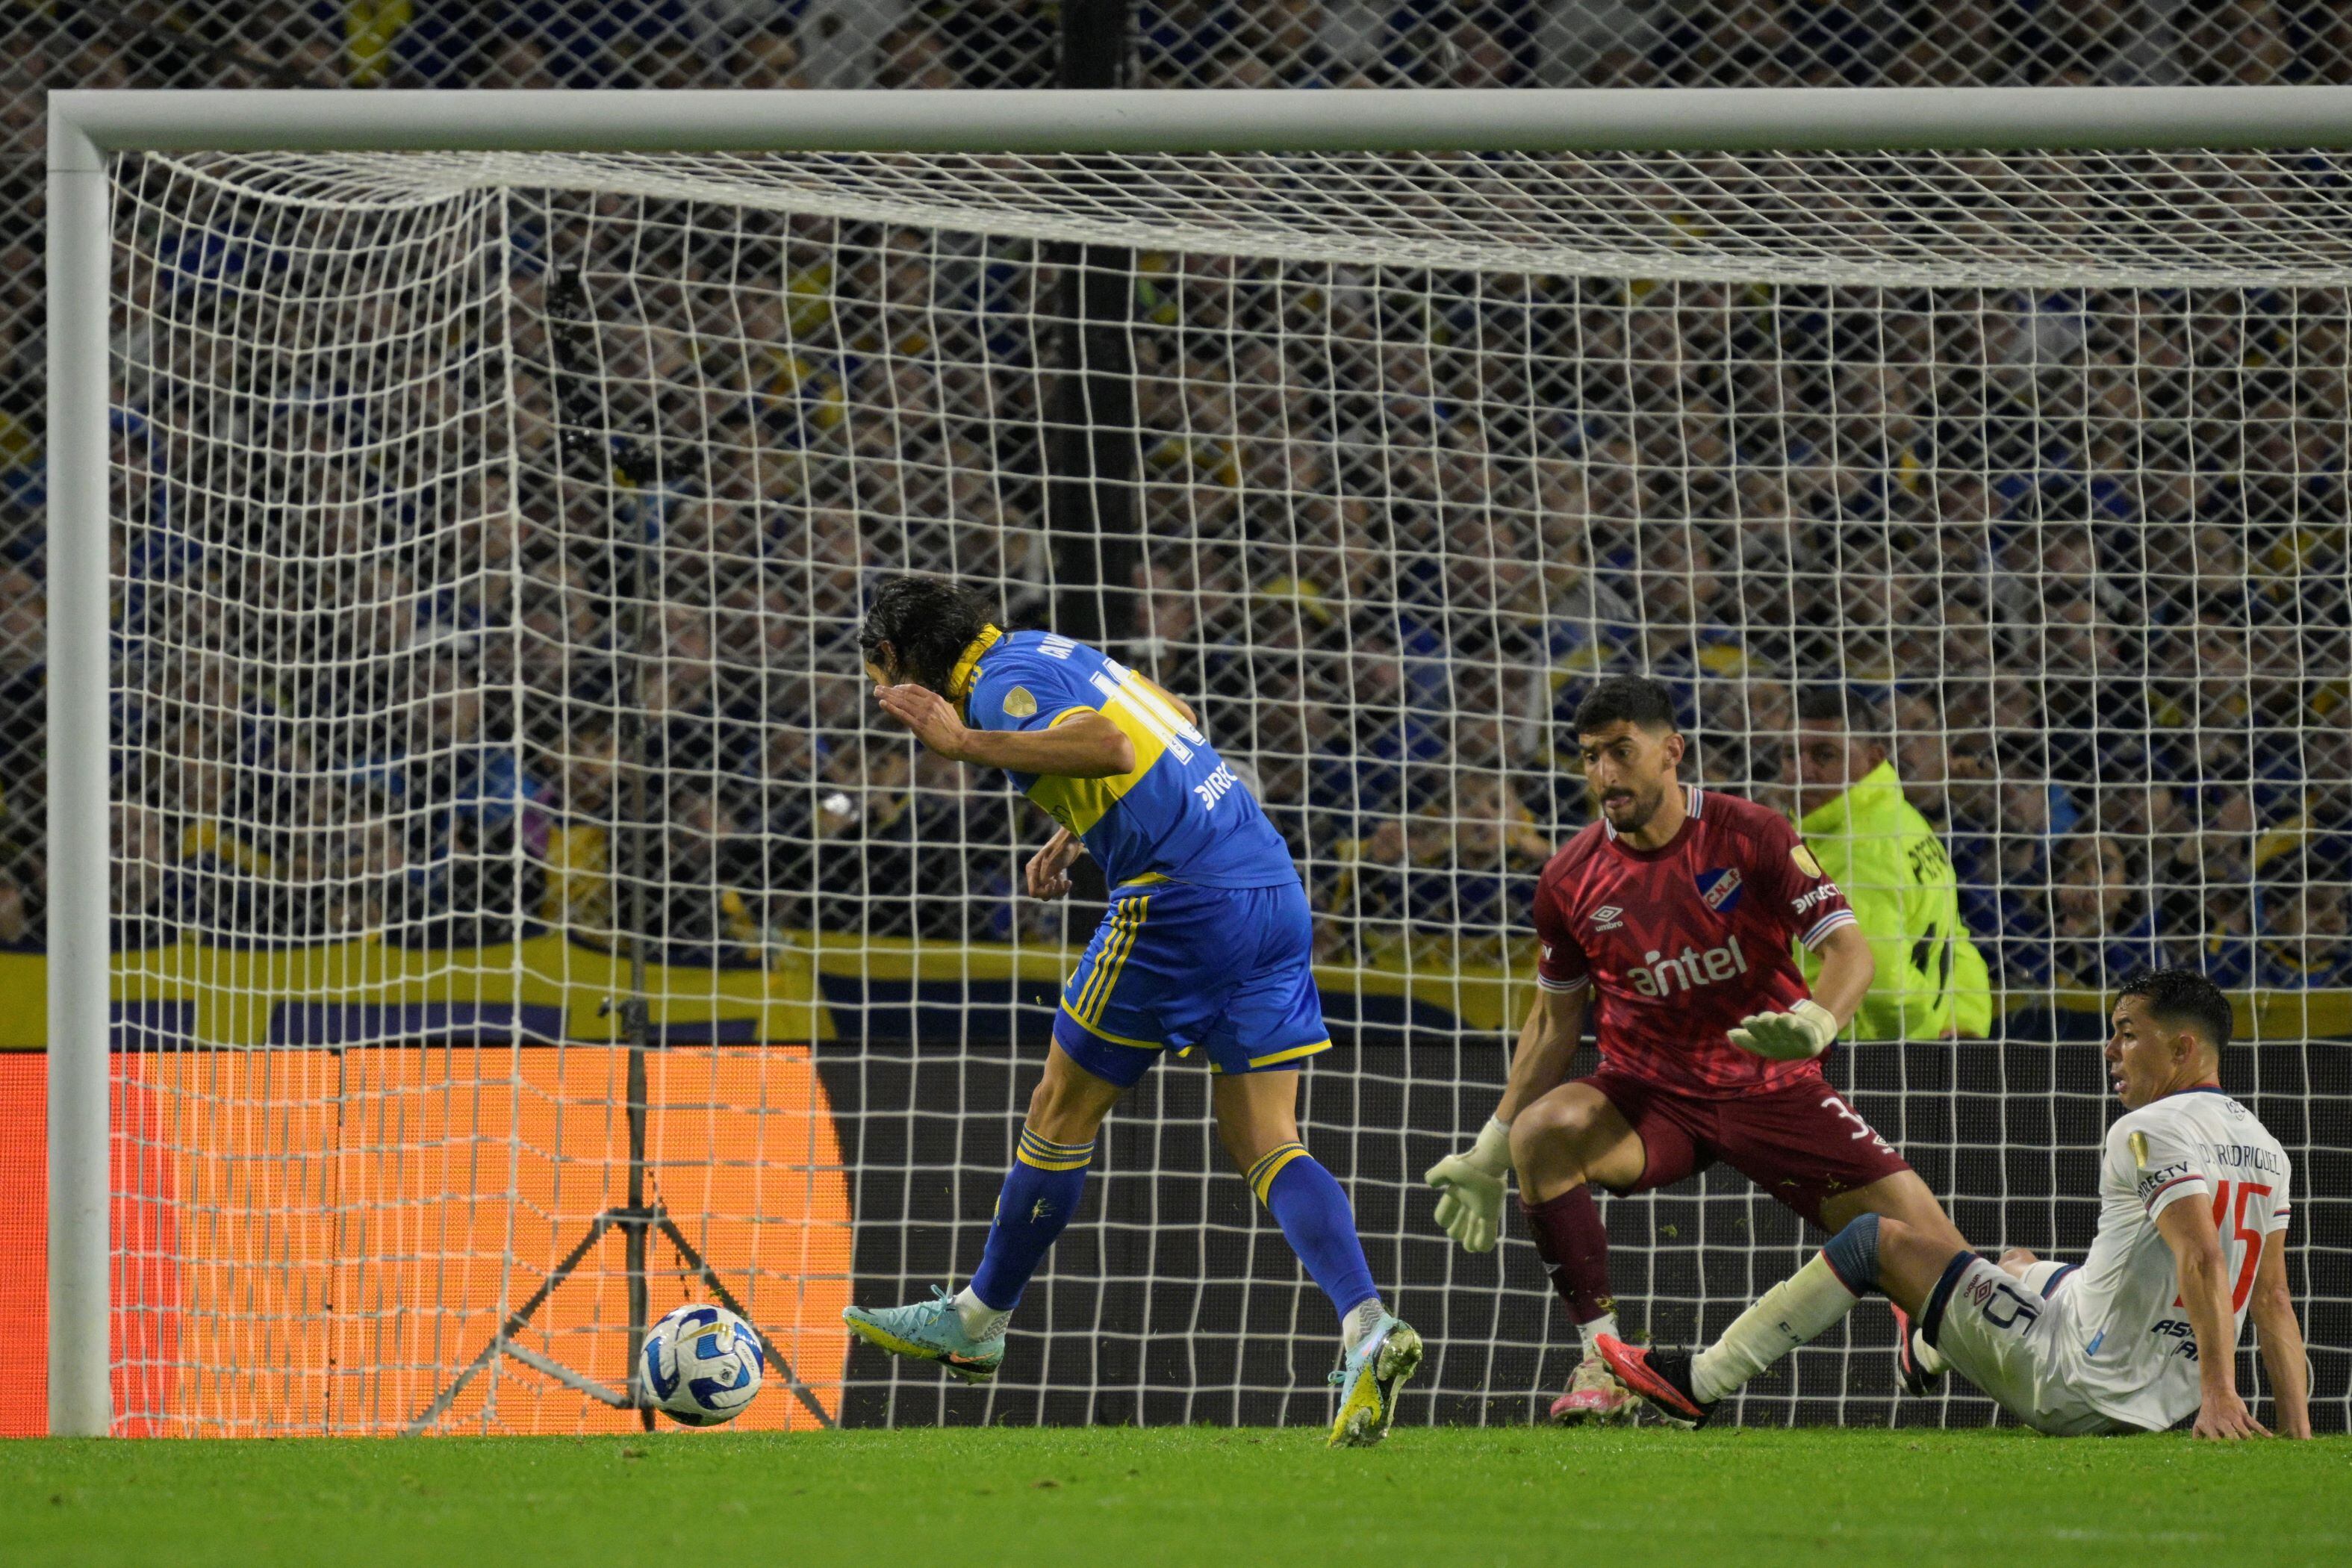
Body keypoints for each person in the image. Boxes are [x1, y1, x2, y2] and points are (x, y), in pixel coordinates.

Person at [840, 575, 1420, 1447]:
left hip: (1182, 902)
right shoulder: (1043, 648)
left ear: (894, 659)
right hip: (1269, 883)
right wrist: (1079, 827)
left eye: (878, 676)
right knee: (1267, 1137)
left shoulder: (994, 689)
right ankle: (1367, 1323)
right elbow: (1172, 717)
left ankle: (978, 1321)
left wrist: (963, 743)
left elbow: (1111, 745)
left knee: (1059, 1110)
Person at [1424, 674, 1967, 1423]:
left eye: (1622, 751)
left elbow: (1850, 952)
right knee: (1543, 1133)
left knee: (1945, 1257)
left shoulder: (1752, 834)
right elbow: (1553, 1024)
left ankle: (1929, 1311)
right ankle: (1603, 1359)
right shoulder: (1570, 880)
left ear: (1671, 751)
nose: (1605, 773)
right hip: (1652, 1097)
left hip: (1771, 1085)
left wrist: (1817, 1021)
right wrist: (1492, 1148)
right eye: (1590, 757)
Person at [1602, 968, 2311, 1441]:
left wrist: (2222, 1394)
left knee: (1872, 1241)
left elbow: (2202, 1256)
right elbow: (2273, 1298)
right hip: (2156, 1394)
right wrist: (2297, 1434)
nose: (2110, 1049)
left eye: (2129, 1033)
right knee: (2021, 1266)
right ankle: (1928, 1343)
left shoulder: (2150, 1128)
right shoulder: (2267, 1148)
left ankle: (1699, 1382)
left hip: (2081, 1383)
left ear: (2183, 1049)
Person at [1785, 685, 1994, 1039]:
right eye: (1791, 755)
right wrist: (1963, 1024)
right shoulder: (1904, 821)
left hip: (1862, 1054)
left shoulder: (1857, 852)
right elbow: (1955, 942)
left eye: (1824, 755)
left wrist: (1919, 1044)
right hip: (1925, 1046)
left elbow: (1881, 987)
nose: (1802, 770)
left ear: (1873, 759)